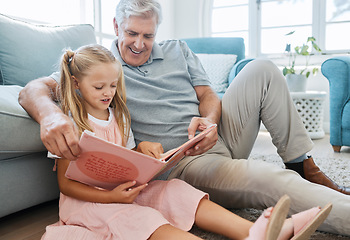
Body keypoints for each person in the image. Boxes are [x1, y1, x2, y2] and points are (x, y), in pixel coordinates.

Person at [18, 0, 350, 236]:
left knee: (261, 68)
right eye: (132, 33)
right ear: (116, 27)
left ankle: (302, 163)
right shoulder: (99, 67)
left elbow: (208, 96)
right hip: (186, 162)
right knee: (269, 178)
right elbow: (33, 89)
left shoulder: (178, 49)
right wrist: (49, 116)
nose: (139, 44)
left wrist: (209, 121)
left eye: (148, 36)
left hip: (211, 136)